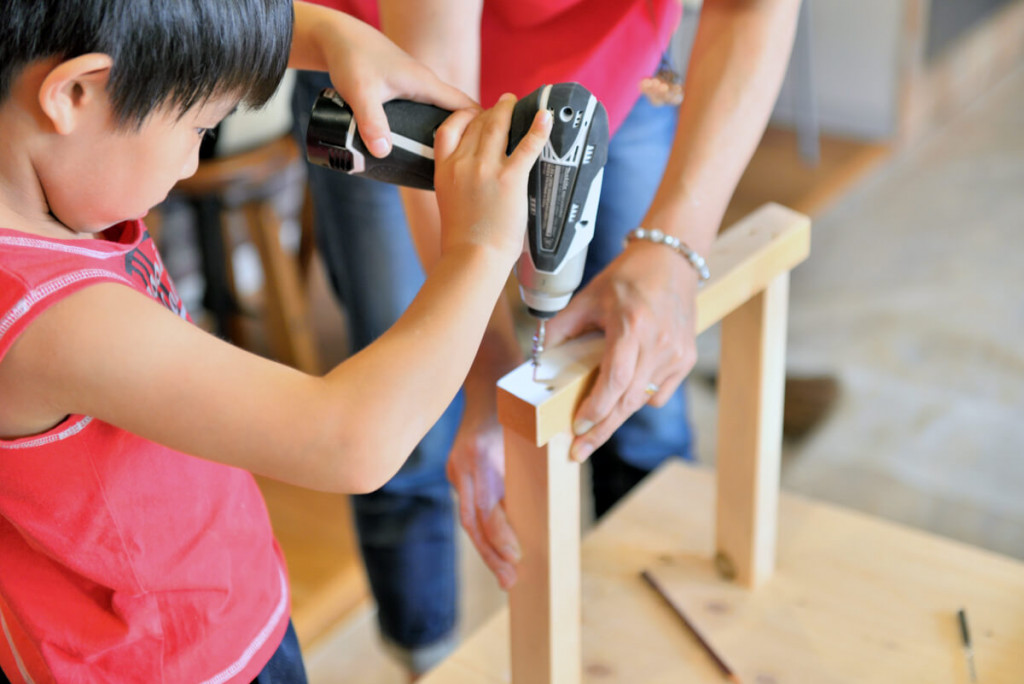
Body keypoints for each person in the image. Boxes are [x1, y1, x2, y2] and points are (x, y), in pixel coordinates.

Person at [0, 1, 553, 681]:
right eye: (200, 126)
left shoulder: (43, 190)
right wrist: (480, 246)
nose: (187, 165)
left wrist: (331, 33)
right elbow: (351, 440)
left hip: (214, 611)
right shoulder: (49, 317)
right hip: (179, 664)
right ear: (75, 92)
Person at [292, 0, 802, 677]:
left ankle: (645, 650)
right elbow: (435, 60)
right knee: (406, 420)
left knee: (641, 379)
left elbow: (751, 11)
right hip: (397, 73)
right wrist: (481, 362)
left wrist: (675, 250)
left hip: (612, 53)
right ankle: (425, 658)